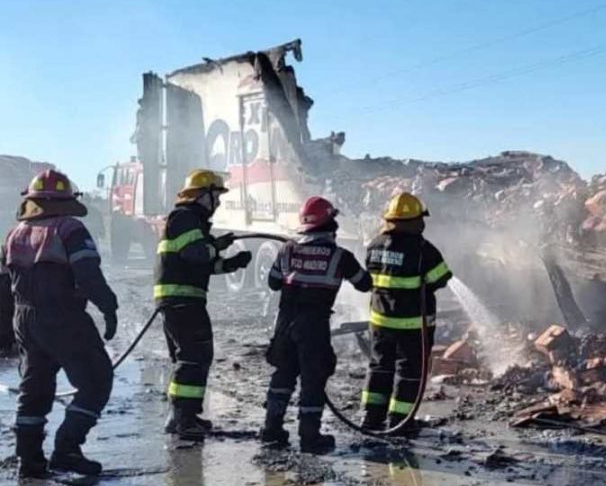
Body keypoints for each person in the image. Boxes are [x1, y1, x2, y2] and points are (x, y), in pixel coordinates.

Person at [0, 170, 118, 477]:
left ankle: (29, 460)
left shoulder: (14, 234)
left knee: (34, 388)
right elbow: (88, 275)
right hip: (63, 317)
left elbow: (4, 284)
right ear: (65, 201)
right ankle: (67, 450)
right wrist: (109, 307)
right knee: (96, 381)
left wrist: (7, 329)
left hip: (25, 319)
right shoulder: (69, 229)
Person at [261, 196, 370, 452]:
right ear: (331, 225)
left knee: (283, 374)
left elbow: (273, 283)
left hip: (285, 323)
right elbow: (365, 284)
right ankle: (310, 438)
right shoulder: (341, 256)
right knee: (313, 378)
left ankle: (271, 431)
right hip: (313, 325)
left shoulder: (287, 250)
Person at [154, 169, 251, 441]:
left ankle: (182, 416)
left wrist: (230, 264)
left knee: (188, 358)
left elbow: (202, 265)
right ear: (201, 195)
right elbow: (195, 254)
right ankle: (183, 420)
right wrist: (215, 244)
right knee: (194, 356)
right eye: (215, 196)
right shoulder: (185, 218)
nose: (217, 203)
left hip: (181, 299)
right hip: (182, 300)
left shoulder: (191, 220)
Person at [362, 192, 452, 434]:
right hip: (412, 325)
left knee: (379, 367)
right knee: (410, 373)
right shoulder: (423, 250)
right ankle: (400, 422)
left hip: (380, 322)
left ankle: (371, 418)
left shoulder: (374, 244)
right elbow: (441, 279)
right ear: (414, 221)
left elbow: (370, 276)